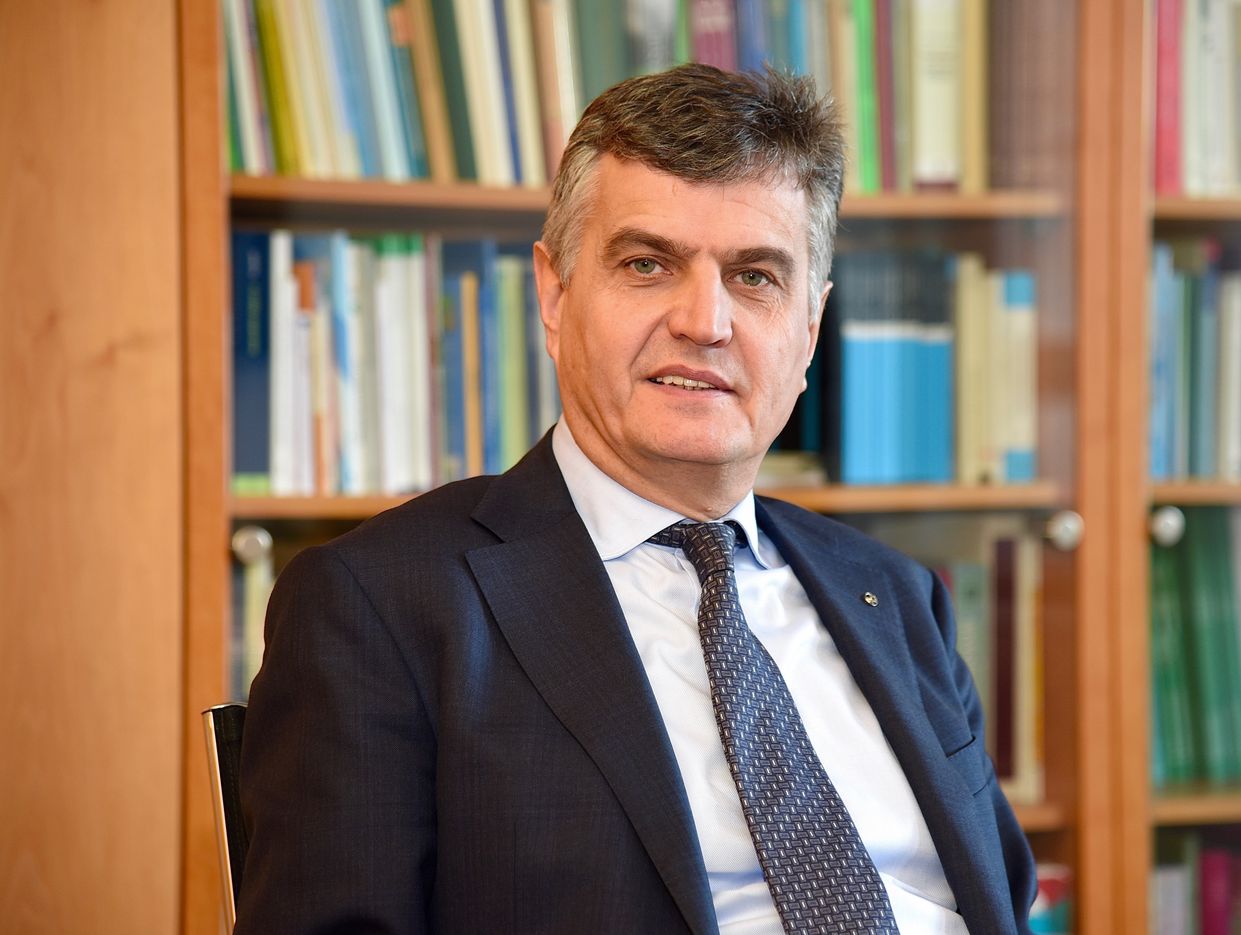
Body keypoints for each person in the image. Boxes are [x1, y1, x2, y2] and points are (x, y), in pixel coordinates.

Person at [236, 64, 1035, 934]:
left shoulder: (896, 594)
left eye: (756, 276)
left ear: (809, 329)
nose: (705, 322)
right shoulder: (380, 605)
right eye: (648, 264)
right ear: (554, 294)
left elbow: (1001, 890)